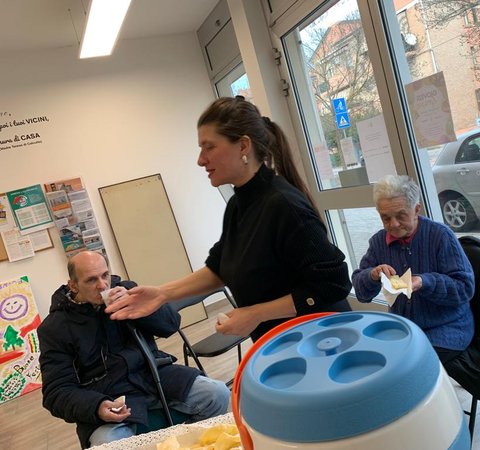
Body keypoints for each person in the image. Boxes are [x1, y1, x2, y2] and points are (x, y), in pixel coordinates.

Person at [106, 96, 351, 341]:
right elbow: (219, 268)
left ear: (243, 146)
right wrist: (162, 293)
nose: (200, 159)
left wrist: (256, 314)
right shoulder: (238, 204)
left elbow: (334, 284)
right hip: (281, 344)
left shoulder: (283, 205)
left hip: (321, 342)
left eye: (209, 147)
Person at [38, 251, 230, 448]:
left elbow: (170, 325)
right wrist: (97, 406)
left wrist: (139, 306)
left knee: (218, 394)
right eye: (91, 280)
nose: (102, 285)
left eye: (105, 275)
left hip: (153, 376)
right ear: (73, 285)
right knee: (108, 445)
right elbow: (56, 392)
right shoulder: (55, 329)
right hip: (108, 396)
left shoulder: (127, 291)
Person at [351, 175, 475, 364]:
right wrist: (372, 275)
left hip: (446, 327)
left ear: (416, 209)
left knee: (407, 363)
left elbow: (464, 288)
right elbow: (361, 294)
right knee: (369, 358)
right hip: (403, 327)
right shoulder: (378, 242)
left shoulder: (441, 236)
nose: (393, 224)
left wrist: (425, 282)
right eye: (385, 218)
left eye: (400, 216)